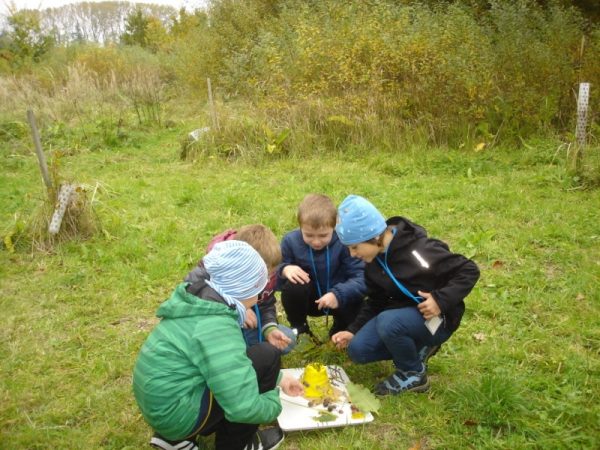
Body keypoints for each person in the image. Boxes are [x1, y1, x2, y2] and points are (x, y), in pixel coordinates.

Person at [133, 241, 305, 450]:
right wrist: (272, 400)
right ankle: (237, 445)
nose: (260, 295)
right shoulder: (217, 327)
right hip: (176, 415)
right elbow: (243, 407)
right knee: (268, 356)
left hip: (163, 404)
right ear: (245, 289)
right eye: (258, 288)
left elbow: (221, 365)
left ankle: (174, 440)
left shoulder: (198, 303)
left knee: (253, 359)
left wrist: (279, 379)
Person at [331, 195, 480, 395]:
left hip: (439, 319)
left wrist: (439, 300)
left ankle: (413, 372)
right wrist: (353, 330)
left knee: (389, 322)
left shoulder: (419, 250)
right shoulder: (373, 263)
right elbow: (376, 301)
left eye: (355, 247)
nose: (352, 254)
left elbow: (469, 270)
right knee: (359, 350)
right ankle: (419, 347)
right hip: (404, 317)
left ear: (373, 236)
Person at [186, 225, 295, 354]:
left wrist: (269, 329)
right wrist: (240, 309)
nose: (267, 280)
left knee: (288, 338)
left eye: (271, 274)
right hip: (217, 335)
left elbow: (266, 305)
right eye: (265, 274)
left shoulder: (266, 279)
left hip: (249, 327)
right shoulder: (210, 278)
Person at [278, 193, 366, 340]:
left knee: (356, 301)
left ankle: (340, 327)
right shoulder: (290, 241)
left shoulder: (345, 242)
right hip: (310, 301)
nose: (316, 242)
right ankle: (300, 328)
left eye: (323, 235)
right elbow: (273, 273)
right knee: (294, 286)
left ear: (335, 225)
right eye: (309, 235)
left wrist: (338, 294)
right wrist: (284, 269)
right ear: (300, 227)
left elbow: (362, 277)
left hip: (341, 299)